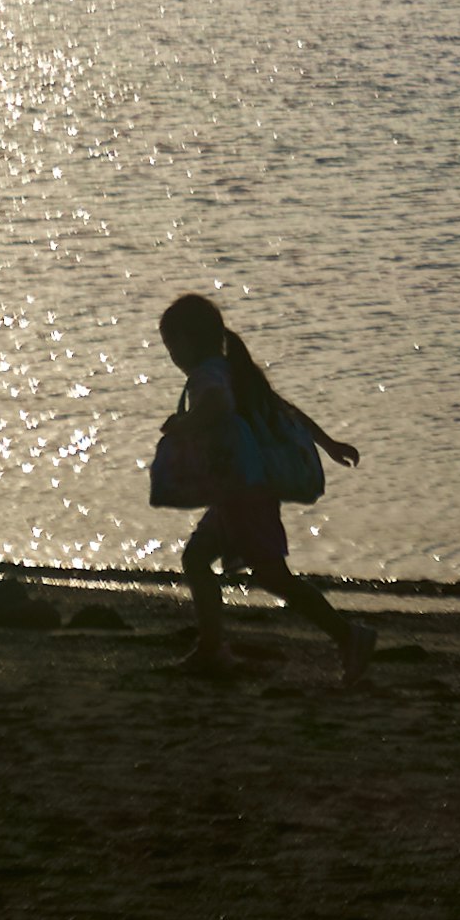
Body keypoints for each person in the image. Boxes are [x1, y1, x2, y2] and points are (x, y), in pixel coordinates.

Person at [153, 293, 371, 685]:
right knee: (197, 559)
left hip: (246, 495)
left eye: (172, 346)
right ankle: (212, 648)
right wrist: (329, 443)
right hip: (237, 492)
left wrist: (182, 426)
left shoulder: (208, 377)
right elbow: (286, 411)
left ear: (189, 341)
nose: (171, 355)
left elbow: (217, 406)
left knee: (271, 575)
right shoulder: (234, 370)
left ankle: (349, 636)